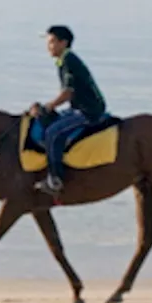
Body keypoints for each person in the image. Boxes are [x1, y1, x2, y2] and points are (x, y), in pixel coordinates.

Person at [30, 25, 108, 196]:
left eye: (51, 42)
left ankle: (55, 179)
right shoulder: (63, 60)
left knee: (53, 132)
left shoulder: (68, 60)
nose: (48, 46)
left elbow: (68, 92)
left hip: (88, 111)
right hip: (77, 108)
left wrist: (48, 106)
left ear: (63, 43)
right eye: (48, 42)